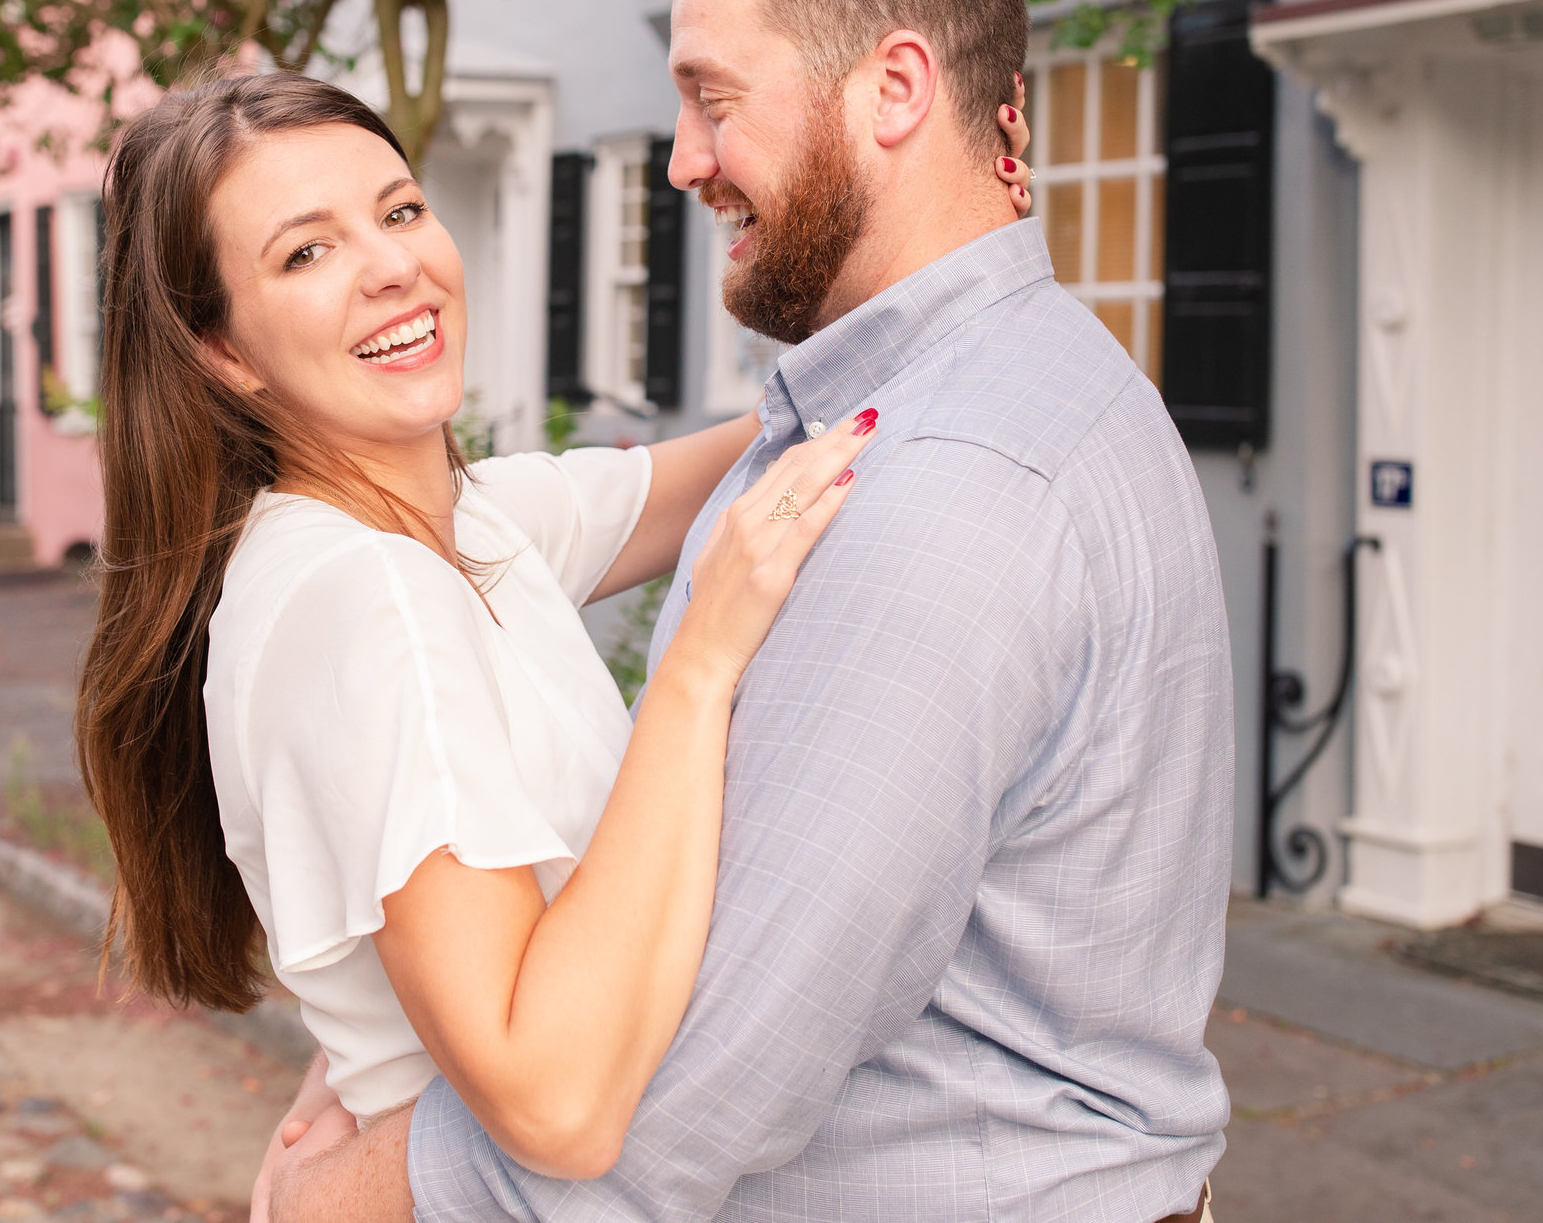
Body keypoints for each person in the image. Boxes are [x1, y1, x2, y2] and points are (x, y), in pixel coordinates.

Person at [263, 0, 1234, 1223]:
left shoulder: (937, 491)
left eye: (716, 100)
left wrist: (369, 1186)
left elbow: (704, 1073)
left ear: (895, 89)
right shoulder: (1002, 385)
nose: (684, 160)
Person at [74, 66, 1030, 1204]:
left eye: (397, 210)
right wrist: (698, 665)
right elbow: (554, 1102)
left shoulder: (460, 525)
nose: (392, 267)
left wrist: (944, 307)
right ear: (222, 351)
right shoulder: (371, 597)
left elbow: (742, 459)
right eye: (304, 253)